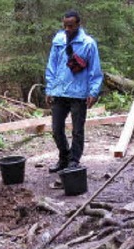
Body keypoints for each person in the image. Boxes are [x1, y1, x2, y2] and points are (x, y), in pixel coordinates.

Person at [45, 10, 103, 172]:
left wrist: (93, 92)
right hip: (59, 91)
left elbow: (95, 70)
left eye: (71, 25)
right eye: (65, 26)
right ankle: (64, 157)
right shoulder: (58, 40)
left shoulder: (88, 43)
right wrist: (49, 88)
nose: (68, 29)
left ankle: (74, 161)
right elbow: (52, 66)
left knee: (77, 130)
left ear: (78, 24)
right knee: (56, 129)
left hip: (79, 93)